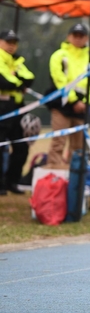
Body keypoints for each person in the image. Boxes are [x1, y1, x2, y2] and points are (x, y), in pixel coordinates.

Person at [47, 23, 90, 166]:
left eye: (81, 36)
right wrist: (73, 101)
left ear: (87, 38)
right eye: (75, 35)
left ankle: (74, 174)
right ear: (68, 37)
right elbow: (59, 80)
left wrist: (86, 102)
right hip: (62, 104)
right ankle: (54, 173)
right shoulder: (59, 56)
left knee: (78, 146)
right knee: (58, 142)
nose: (78, 38)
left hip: (81, 107)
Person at [0, 30, 35, 195]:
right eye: (8, 42)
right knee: (1, 146)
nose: (11, 45)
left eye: (14, 42)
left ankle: (12, 181)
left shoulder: (17, 61)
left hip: (17, 107)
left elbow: (30, 78)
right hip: (2, 106)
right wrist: (18, 83)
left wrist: (16, 80)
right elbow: (3, 81)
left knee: (21, 145)